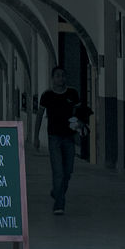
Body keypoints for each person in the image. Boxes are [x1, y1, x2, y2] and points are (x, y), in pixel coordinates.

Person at [33, 66, 84, 215]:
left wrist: (79, 130)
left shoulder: (72, 94)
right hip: (54, 138)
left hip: (69, 137)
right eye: (58, 76)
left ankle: (57, 192)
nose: (61, 78)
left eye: (63, 75)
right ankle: (59, 204)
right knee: (58, 172)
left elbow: (78, 114)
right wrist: (35, 137)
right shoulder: (47, 95)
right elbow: (39, 116)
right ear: (52, 78)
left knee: (68, 172)